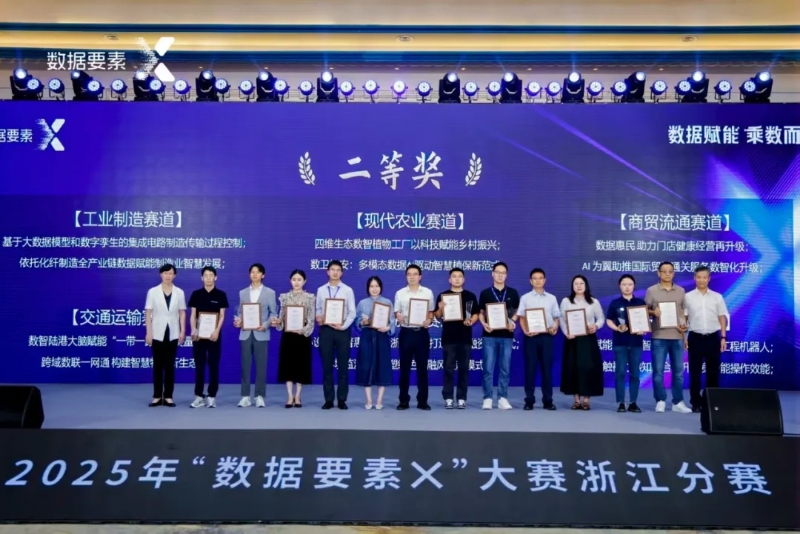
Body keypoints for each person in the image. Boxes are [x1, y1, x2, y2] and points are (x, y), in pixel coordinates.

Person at [645, 261, 691, 414]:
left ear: (674, 273)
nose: (667, 274)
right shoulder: (652, 291)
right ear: (658, 273)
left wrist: (684, 328)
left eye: (670, 271)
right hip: (659, 336)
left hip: (677, 336)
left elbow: (683, 312)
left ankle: (678, 402)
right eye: (664, 271)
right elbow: (644, 310)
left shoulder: (681, 291)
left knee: (678, 372)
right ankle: (660, 400)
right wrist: (653, 312)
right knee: (658, 371)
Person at [683, 265, 729, 412]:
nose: (701, 280)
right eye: (698, 277)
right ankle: (696, 402)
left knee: (713, 372)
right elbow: (684, 319)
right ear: (694, 278)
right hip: (695, 338)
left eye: (704, 277)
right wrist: (684, 337)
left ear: (709, 278)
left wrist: (723, 337)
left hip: (712, 338)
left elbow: (722, 317)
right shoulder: (687, 297)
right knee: (695, 373)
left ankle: (711, 402)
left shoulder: (717, 297)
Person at [515, 268, 560, 411]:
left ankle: (548, 401)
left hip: (547, 337)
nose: (538, 281)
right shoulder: (525, 298)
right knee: (530, 369)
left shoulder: (552, 298)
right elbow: (522, 318)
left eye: (540, 278)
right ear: (531, 281)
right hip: (531, 338)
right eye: (535, 278)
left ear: (544, 280)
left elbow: (556, 317)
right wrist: (525, 331)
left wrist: (555, 328)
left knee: (547, 369)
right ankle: (529, 400)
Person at [233, 263, 276, 408]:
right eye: (252, 272)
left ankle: (259, 396)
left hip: (261, 333)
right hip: (245, 333)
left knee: (261, 366)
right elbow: (240, 312)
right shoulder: (243, 292)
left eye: (258, 272)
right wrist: (239, 321)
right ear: (249, 274)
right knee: (245, 365)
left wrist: (266, 325)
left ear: (263, 275)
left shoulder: (270, 292)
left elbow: (273, 313)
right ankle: (245, 396)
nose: (255, 274)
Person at [315, 260, 357, 410]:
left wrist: (343, 326)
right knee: (327, 366)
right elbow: (318, 309)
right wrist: (319, 317)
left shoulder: (348, 290)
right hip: (326, 330)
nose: (335, 272)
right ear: (327, 272)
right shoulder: (321, 290)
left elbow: (352, 312)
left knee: (343, 366)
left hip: (342, 331)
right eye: (332, 269)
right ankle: (328, 399)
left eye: (338, 270)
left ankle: (341, 399)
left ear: (342, 273)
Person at [434, 268, 479, 409]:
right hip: (449, 338)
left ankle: (461, 398)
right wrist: (440, 308)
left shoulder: (470, 296)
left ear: (464, 279)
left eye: (460, 276)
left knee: (464, 370)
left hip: (465, 338)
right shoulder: (443, 296)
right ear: (449, 279)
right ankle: (448, 397)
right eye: (454, 276)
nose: (457, 279)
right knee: (448, 369)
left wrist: (471, 320)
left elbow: (476, 313)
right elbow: (437, 316)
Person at [478, 262, 520, 410]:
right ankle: (487, 398)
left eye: (503, 273)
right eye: (497, 272)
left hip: (506, 336)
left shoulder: (513, 293)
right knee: (488, 369)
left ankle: (503, 398)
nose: (500, 275)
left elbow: (517, 311)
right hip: (489, 335)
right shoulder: (485, 293)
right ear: (493, 274)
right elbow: (481, 313)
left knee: (505, 368)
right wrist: (483, 323)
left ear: (506, 275)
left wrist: (512, 321)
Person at [394, 264, 435, 410]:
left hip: (422, 334)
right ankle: (403, 401)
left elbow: (431, 312)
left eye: (415, 274)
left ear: (420, 276)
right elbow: (396, 312)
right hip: (406, 332)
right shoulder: (400, 293)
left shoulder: (428, 293)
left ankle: (422, 401)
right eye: (409, 274)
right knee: (404, 369)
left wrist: (429, 320)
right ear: (406, 276)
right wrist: (398, 316)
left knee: (422, 369)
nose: (412, 276)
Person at [559, 275, 604, 410]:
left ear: (586, 285)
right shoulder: (566, 301)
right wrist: (566, 332)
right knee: (573, 367)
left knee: (588, 368)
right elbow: (561, 319)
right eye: (576, 283)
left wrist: (595, 326)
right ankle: (576, 400)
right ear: (572, 286)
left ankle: (586, 400)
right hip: (572, 339)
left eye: (581, 283)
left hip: (588, 339)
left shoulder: (593, 301)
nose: (579, 286)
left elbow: (601, 318)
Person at [144, 263, 186, 407]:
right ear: (161, 274)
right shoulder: (152, 292)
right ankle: (157, 396)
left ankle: (168, 396)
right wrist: (149, 332)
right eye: (165, 273)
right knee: (157, 365)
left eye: (171, 273)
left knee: (169, 366)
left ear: (175, 276)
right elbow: (148, 313)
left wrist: (182, 331)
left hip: (173, 333)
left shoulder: (179, 292)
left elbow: (182, 312)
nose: (168, 276)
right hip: (157, 332)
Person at [272, 269, 315, 408]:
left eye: (299, 279)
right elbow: (281, 317)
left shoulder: (310, 298)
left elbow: (311, 319)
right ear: (290, 281)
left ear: (304, 281)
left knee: (301, 366)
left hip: (302, 337)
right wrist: (278, 322)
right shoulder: (284, 297)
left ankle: (298, 395)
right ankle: (290, 396)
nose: (296, 282)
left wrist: (304, 330)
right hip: (288, 336)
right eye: (294, 279)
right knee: (288, 366)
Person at [188, 266, 229, 408]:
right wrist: (193, 329)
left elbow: (222, 315)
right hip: (199, 336)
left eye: (211, 275)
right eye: (206, 275)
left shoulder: (221, 295)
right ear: (202, 278)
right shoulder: (196, 294)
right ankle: (198, 396)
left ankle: (212, 396)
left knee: (213, 366)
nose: (208, 278)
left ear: (215, 277)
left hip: (214, 336)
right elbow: (193, 315)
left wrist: (217, 331)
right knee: (199, 366)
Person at [605, 274, 646, 413]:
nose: (627, 287)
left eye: (629, 284)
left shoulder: (640, 302)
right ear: (619, 286)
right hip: (620, 342)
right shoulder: (615, 303)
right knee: (620, 373)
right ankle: (621, 402)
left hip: (636, 343)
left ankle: (633, 402)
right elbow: (609, 320)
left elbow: (646, 321)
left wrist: (643, 330)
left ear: (634, 286)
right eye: (624, 284)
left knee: (635, 374)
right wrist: (617, 328)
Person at [355, 276, 395, 410]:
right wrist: (362, 322)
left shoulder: (387, 302)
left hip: (382, 336)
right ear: (368, 288)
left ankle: (379, 399)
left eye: (377, 286)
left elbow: (392, 321)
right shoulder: (362, 303)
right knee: (365, 366)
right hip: (367, 336)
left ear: (381, 287)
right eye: (371, 286)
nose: (374, 289)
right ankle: (369, 400)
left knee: (382, 366)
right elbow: (357, 322)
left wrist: (388, 328)